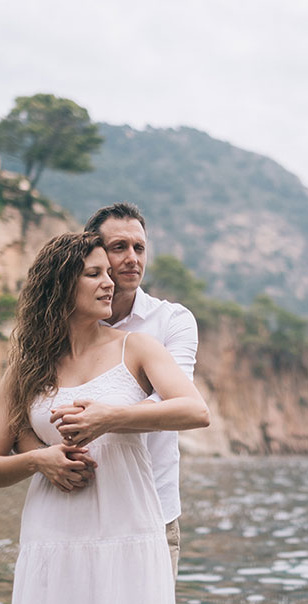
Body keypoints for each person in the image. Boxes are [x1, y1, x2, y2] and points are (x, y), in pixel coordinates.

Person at [0, 232, 210, 604]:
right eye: (93, 274)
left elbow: (196, 411)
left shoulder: (137, 348)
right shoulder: (26, 368)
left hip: (129, 530)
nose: (109, 282)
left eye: (107, 273)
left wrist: (109, 417)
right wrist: (40, 460)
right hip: (52, 533)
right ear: (62, 286)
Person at [22, 201, 200, 578]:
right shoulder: (52, 336)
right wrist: (44, 457)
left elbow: (179, 402)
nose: (132, 258)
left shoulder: (171, 322)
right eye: (119, 247)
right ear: (94, 252)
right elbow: (25, 412)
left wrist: (107, 417)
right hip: (70, 506)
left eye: (140, 247)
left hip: (151, 510)